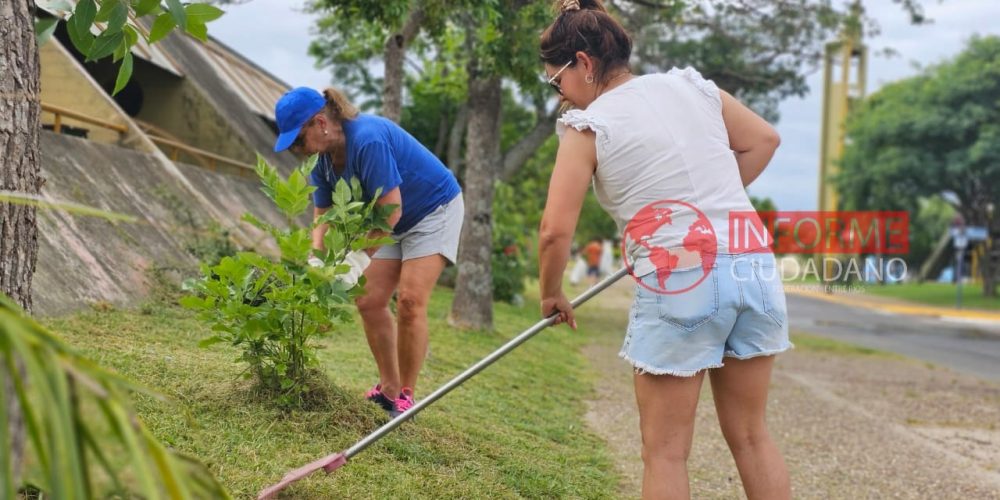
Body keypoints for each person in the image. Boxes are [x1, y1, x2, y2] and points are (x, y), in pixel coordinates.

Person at [536, 1, 791, 499]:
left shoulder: (589, 126)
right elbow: (764, 139)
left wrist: (551, 292)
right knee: (752, 436)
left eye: (556, 81)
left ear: (584, 64)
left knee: (666, 452)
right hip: (752, 264)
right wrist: (701, 212)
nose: (559, 95)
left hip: (684, 278)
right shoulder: (693, 88)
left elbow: (553, 231)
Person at [273, 86, 464, 418]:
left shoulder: (368, 139)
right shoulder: (323, 161)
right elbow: (323, 215)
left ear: (320, 123)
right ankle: (388, 388)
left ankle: (405, 396)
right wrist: (317, 263)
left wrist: (356, 260)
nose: (297, 150)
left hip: (434, 210)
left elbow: (391, 210)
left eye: (298, 141)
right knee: (369, 300)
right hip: (391, 219)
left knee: (409, 302)